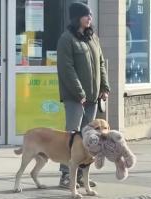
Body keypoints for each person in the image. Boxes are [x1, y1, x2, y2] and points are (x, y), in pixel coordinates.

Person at [56, 2, 110, 189]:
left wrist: (105, 86)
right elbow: (66, 69)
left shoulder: (92, 37)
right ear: (76, 17)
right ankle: (65, 175)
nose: (90, 18)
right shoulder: (67, 39)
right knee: (72, 135)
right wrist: (79, 93)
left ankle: (80, 176)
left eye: (91, 16)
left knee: (88, 137)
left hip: (93, 97)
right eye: (86, 15)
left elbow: (101, 63)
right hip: (75, 98)